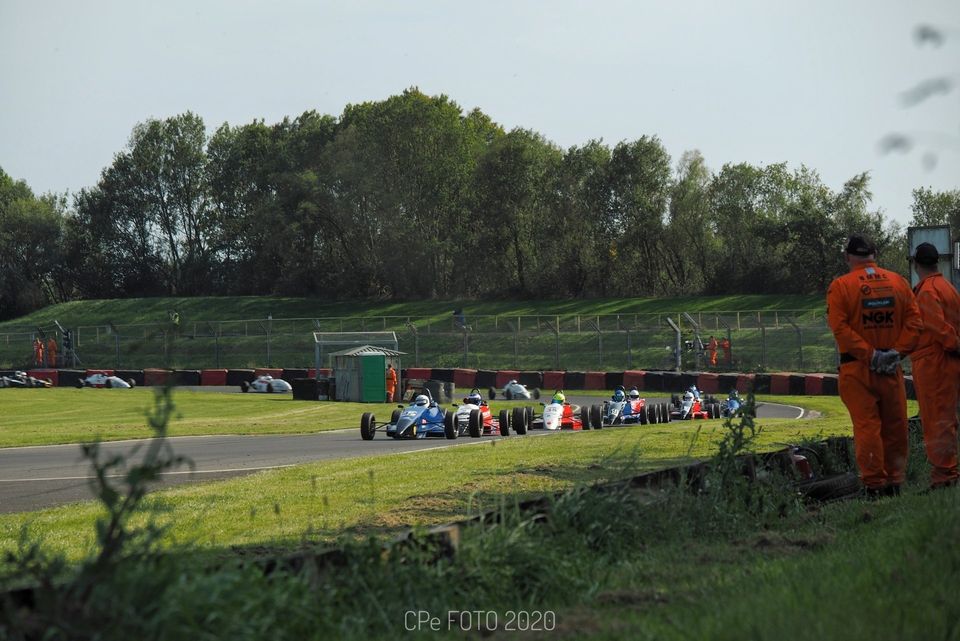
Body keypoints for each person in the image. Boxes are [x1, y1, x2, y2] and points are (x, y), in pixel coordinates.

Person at [827, 234, 922, 498]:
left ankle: (874, 485)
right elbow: (915, 323)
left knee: (867, 427)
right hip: (891, 369)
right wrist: (896, 352)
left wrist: (870, 355)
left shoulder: (841, 286)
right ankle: (895, 482)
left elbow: (840, 328)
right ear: (875, 254)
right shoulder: (898, 282)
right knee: (896, 425)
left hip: (857, 369)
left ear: (848, 257)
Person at [907, 242, 960, 490]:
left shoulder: (927, 291)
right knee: (946, 417)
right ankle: (946, 471)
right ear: (936, 262)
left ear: (916, 264)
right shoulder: (947, 287)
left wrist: (955, 344)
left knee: (936, 418)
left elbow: (939, 329)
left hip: (934, 362)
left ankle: (944, 476)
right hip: (946, 362)